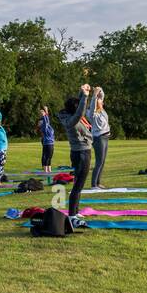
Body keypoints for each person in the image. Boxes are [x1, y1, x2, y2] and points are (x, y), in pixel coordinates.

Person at [56, 84, 95, 219]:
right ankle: (72, 214)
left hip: (79, 152)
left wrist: (82, 92)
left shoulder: (67, 115)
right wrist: (85, 96)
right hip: (82, 153)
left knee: (78, 183)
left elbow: (76, 107)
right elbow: (80, 111)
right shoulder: (72, 120)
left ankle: (75, 211)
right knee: (78, 185)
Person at [90, 87, 111, 188]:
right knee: (99, 162)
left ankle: (98, 183)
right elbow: (94, 102)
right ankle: (94, 184)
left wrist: (99, 89)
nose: (102, 103)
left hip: (105, 137)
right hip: (99, 138)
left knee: (102, 161)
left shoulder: (102, 111)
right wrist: (94, 95)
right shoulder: (93, 115)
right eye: (100, 102)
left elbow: (102, 96)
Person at [38, 106, 55, 175]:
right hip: (48, 144)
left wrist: (46, 113)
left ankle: (49, 171)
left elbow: (47, 121)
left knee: (48, 157)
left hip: (48, 143)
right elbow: (46, 121)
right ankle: (46, 171)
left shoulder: (47, 127)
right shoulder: (44, 127)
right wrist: (44, 114)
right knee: (48, 157)